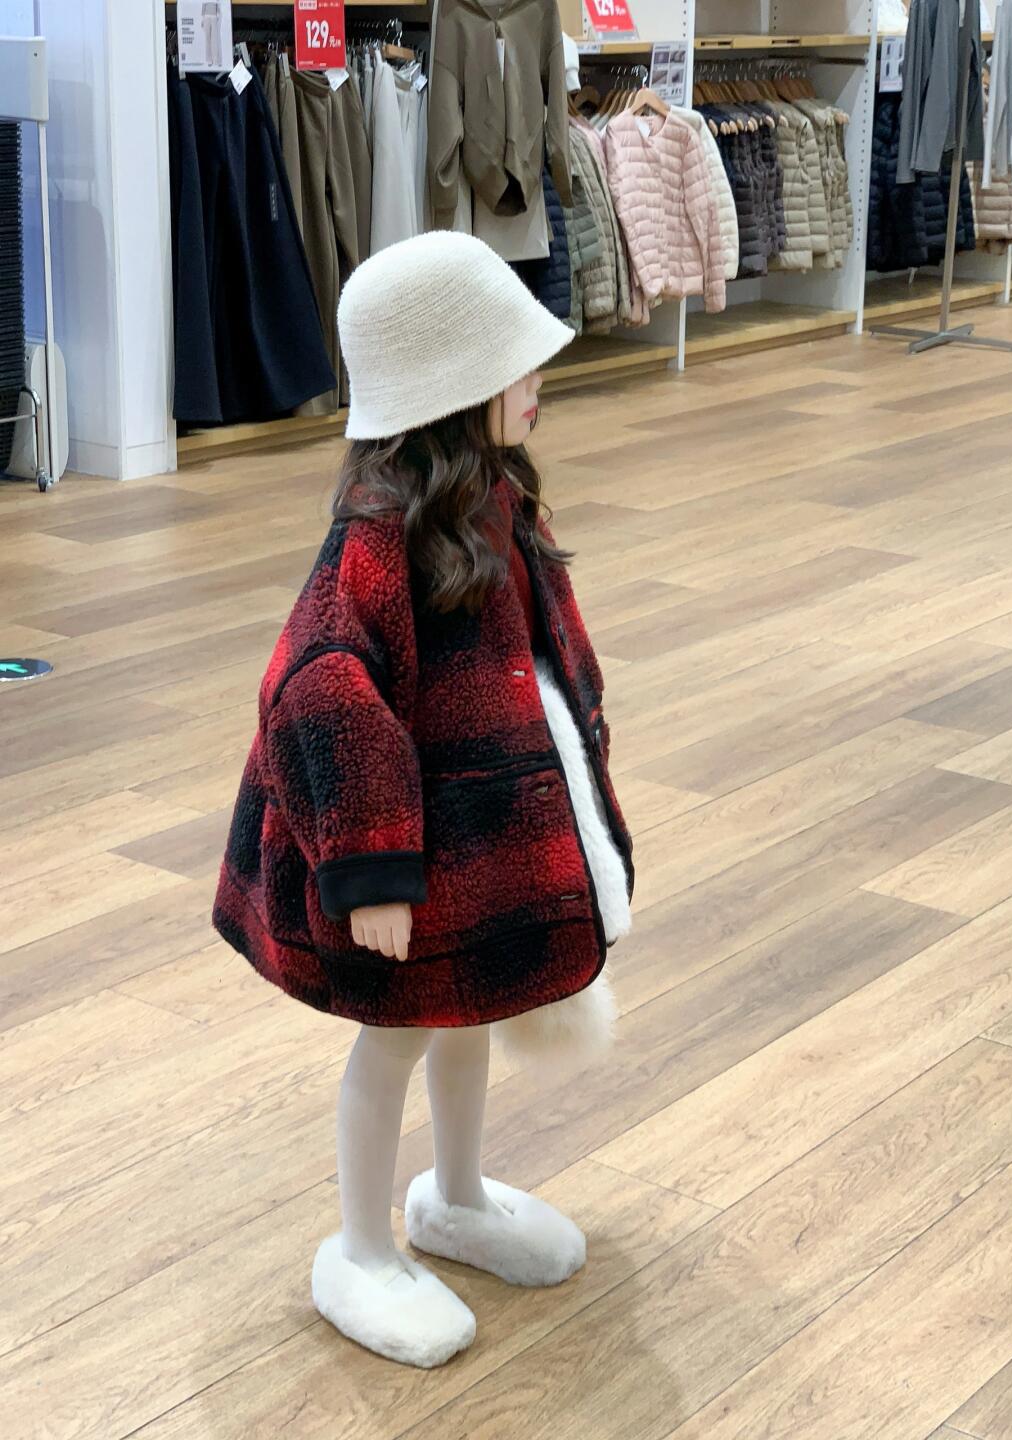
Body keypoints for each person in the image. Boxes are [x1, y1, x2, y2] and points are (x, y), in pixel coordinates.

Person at [212, 231, 634, 1369]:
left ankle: (454, 1197)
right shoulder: (377, 535)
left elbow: (542, 657)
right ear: (452, 382)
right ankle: (359, 1246)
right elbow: (315, 687)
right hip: (415, 857)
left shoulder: (496, 498)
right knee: (393, 1041)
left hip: (479, 845)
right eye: (514, 359)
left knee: (468, 1018)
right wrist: (372, 869)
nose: (541, 375)